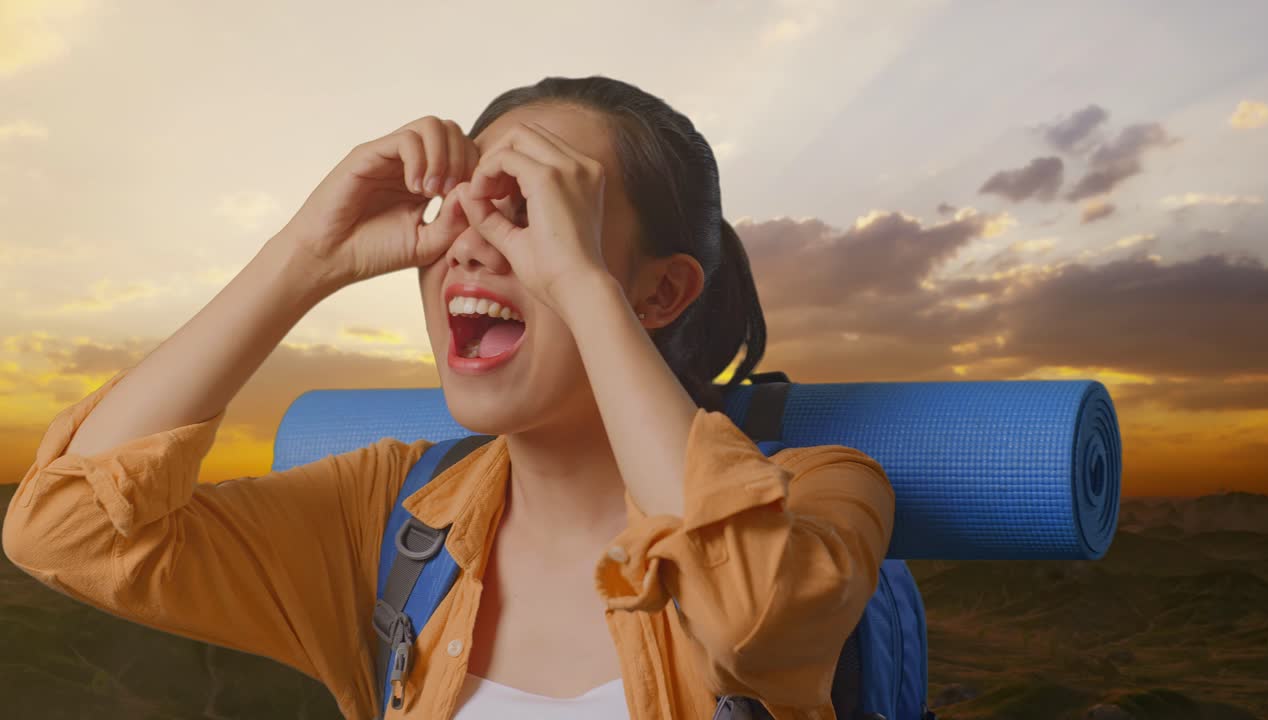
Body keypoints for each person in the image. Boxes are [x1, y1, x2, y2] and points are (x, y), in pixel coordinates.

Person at [2, 75, 896, 720]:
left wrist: (584, 288)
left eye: (532, 213)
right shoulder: (387, 518)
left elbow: (752, 619)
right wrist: (302, 258)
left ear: (660, 294)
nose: (473, 246)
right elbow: (64, 532)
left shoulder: (825, 494)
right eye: (467, 210)